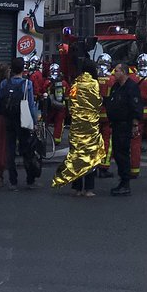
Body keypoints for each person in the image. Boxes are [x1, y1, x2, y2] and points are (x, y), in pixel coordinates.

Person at [51, 60, 105, 197]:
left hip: (77, 125)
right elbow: (98, 103)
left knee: (76, 155)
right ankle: (89, 188)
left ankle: (77, 188)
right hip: (90, 125)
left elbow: (70, 102)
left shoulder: (75, 84)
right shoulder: (95, 84)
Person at [0, 57, 40, 190]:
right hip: (23, 119)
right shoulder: (27, 84)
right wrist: (34, 122)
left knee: (10, 150)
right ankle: (30, 179)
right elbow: (31, 105)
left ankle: (13, 181)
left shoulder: (4, 83)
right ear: (23, 69)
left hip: (9, 119)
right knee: (27, 149)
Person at [104, 62, 142, 196]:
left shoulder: (131, 87)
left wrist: (135, 125)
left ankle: (125, 183)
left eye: (117, 71)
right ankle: (122, 180)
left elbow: (135, 107)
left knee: (123, 154)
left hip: (125, 125)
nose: (114, 73)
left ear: (124, 72)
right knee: (117, 153)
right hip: (116, 124)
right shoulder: (116, 86)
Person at [97, 53, 114, 176]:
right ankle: (104, 166)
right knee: (107, 141)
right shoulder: (113, 79)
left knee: (93, 140)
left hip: (94, 114)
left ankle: (93, 165)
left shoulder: (93, 78)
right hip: (108, 114)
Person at [46, 62, 68, 147]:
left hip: (50, 106)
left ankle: (41, 136)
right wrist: (67, 108)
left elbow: (43, 91)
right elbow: (67, 96)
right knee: (59, 123)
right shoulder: (64, 83)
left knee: (45, 121)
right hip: (61, 106)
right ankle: (57, 139)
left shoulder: (48, 82)